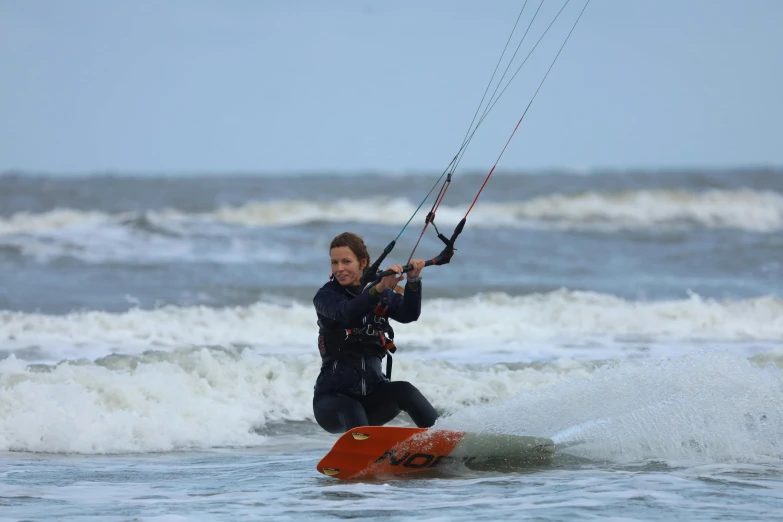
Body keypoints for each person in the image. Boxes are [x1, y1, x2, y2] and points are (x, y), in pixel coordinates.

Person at [312, 232, 439, 434]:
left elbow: (408, 315)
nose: (339, 269)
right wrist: (379, 288)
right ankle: (363, 454)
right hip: (332, 404)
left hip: (373, 399)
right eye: (334, 262)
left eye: (346, 261)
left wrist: (413, 282)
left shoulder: (383, 293)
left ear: (363, 262)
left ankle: (446, 439)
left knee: (404, 390)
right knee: (351, 407)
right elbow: (347, 313)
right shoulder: (325, 296)